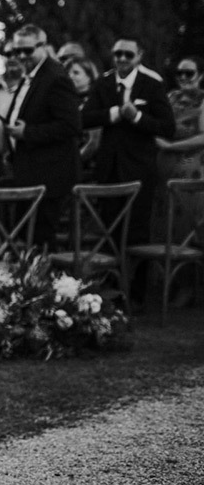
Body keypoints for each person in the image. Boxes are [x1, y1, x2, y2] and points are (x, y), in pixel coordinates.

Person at [81, 39, 175, 308]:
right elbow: (85, 118)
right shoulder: (104, 83)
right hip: (109, 168)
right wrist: (113, 114)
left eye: (127, 54)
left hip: (140, 169)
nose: (121, 58)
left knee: (137, 232)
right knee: (110, 229)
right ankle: (112, 292)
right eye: (117, 53)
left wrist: (136, 117)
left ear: (139, 56)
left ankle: (137, 294)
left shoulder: (152, 83)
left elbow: (167, 127)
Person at [2, 24, 81, 250]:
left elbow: (71, 125)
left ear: (44, 47)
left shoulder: (56, 77)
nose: (22, 56)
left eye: (28, 50)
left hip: (50, 176)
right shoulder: (31, 77)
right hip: (28, 171)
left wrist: (27, 133)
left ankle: (46, 285)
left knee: (41, 243)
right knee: (27, 241)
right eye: (17, 51)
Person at [151, 56, 204, 279]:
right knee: (163, 220)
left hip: (190, 165)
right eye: (179, 73)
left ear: (201, 75)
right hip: (164, 165)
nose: (183, 78)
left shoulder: (203, 101)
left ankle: (186, 282)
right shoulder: (170, 97)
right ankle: (162, 278)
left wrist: (172, 146)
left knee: (185, 222)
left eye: (189, 73)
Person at [65, 57, 102, 179]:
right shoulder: (68, 100)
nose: (71, 76)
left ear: (89, 77)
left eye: (76, 73)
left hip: (86, 166)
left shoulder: (95, 102)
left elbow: (93, 142)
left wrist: (75, 162)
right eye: (68, 73)